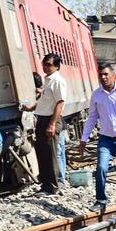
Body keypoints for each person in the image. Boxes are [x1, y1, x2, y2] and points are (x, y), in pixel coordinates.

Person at [79, 63, 116, 211]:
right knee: (101, 168)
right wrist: (84, 138)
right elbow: (92, 117)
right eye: (101, 75)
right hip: (106, 139)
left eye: (106, 74)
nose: (103, 78)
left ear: (113, 74)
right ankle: (100, 200)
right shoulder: (97, 95)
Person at [20, 53, 67, 193]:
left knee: (50, 154)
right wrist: (31, 108)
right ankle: (45, 185)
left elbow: (60, 103)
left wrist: (52, 124)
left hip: (50, 119)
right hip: (42, 118)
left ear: (57, 66)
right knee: (42, 153)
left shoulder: (58, 81)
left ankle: (53, 186)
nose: (45, 67)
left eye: (49, 65)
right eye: (44, 64)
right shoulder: (48, 81)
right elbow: (44, 101)